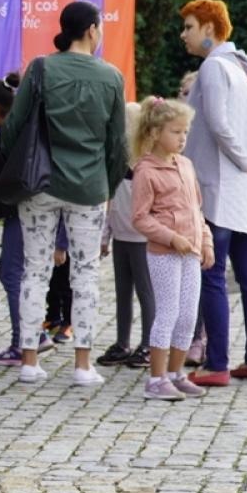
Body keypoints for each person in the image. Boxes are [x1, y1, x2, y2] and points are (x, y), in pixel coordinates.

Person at [0, 1, 128, 387]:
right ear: (91, 29)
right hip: (89, 186)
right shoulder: (111, 77)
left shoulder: (40, 68)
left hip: (40, 183)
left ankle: (29, 360)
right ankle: (83, 365)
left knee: (34, 271)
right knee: (85, 274)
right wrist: (108, 183)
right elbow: (117, 142)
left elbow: (13, 127)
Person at [178, 0, 247, 387]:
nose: (183, 35)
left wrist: (245, 161)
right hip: (243, 186)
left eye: (188, 27)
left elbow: (217, 124)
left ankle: (217, 363)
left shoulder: (215, 66)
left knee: (212, 273)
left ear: (209, 29)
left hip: (219, 185)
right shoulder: (243, 68)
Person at [130, 98, 215, 401]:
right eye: (175, 132)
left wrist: (205, 240)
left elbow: (196, 208)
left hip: (190, 251)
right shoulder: (146, 172)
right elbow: (140, 217)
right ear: (155, 133)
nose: (182, 138)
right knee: (167, 312)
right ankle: (156, 378)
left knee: (188, 315)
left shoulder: (186, 165)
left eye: (185, 132)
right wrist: (170, 237)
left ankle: (177, 373)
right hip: (165, 253)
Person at [0, 76, 50, 365]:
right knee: (17, 272)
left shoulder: (12, 132)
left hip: (21, 209)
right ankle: (32, 334)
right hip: (22, 210)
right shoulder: (15, 129)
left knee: (11, 271)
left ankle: (26, 340)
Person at [99, 103, 154, 370]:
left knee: (146, 293)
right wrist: (105, 236)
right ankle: (123, 341)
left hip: (144, 240)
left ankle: (148, 343)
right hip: (122, 237)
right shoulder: (118, 165)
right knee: (123, 292)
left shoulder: (147, 166)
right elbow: (113, 204)